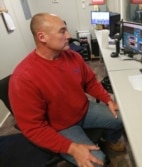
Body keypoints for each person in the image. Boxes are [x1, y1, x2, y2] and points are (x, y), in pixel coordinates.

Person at [9, 13, 125, 167]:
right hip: (59, 126)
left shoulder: (73, 57)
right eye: (62, 31)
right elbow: (33, 128)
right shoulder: (23, 78)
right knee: (97, 162)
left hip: (84, 110)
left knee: (124, 118)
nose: (69, 36)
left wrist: (108, 100)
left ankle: (109, 139)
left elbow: (89, 82)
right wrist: (71, 148)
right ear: (42, 37)